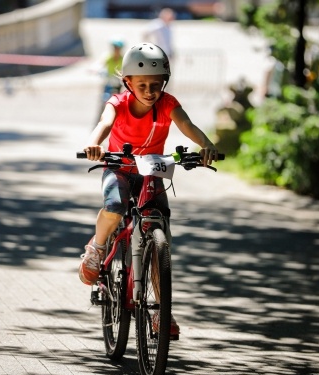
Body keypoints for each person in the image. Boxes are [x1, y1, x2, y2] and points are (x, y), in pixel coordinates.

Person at [78, 42, 219, 337]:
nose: (150, 90)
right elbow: (104, 124)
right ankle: (97, 246)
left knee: (160, 233)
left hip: (151, 171)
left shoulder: (168, 104)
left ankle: (161, 312)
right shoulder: (116, 103)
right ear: (127, 82)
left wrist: (205, 145)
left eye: (156, 84)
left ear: (164, 83)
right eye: (141, 84)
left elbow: (187, 124)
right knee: (115, 207)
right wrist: (94, 143)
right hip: (119, 168)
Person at [95, 38, 125, 123]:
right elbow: (100, 64)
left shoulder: (123, 59)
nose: (116, 50)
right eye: (115, 48)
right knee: (104, 99)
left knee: (120, 102)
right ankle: (101, 119)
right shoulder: (108, 57)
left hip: (118, 83)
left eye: (118, 48)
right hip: (109, 82)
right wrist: (98, 70)